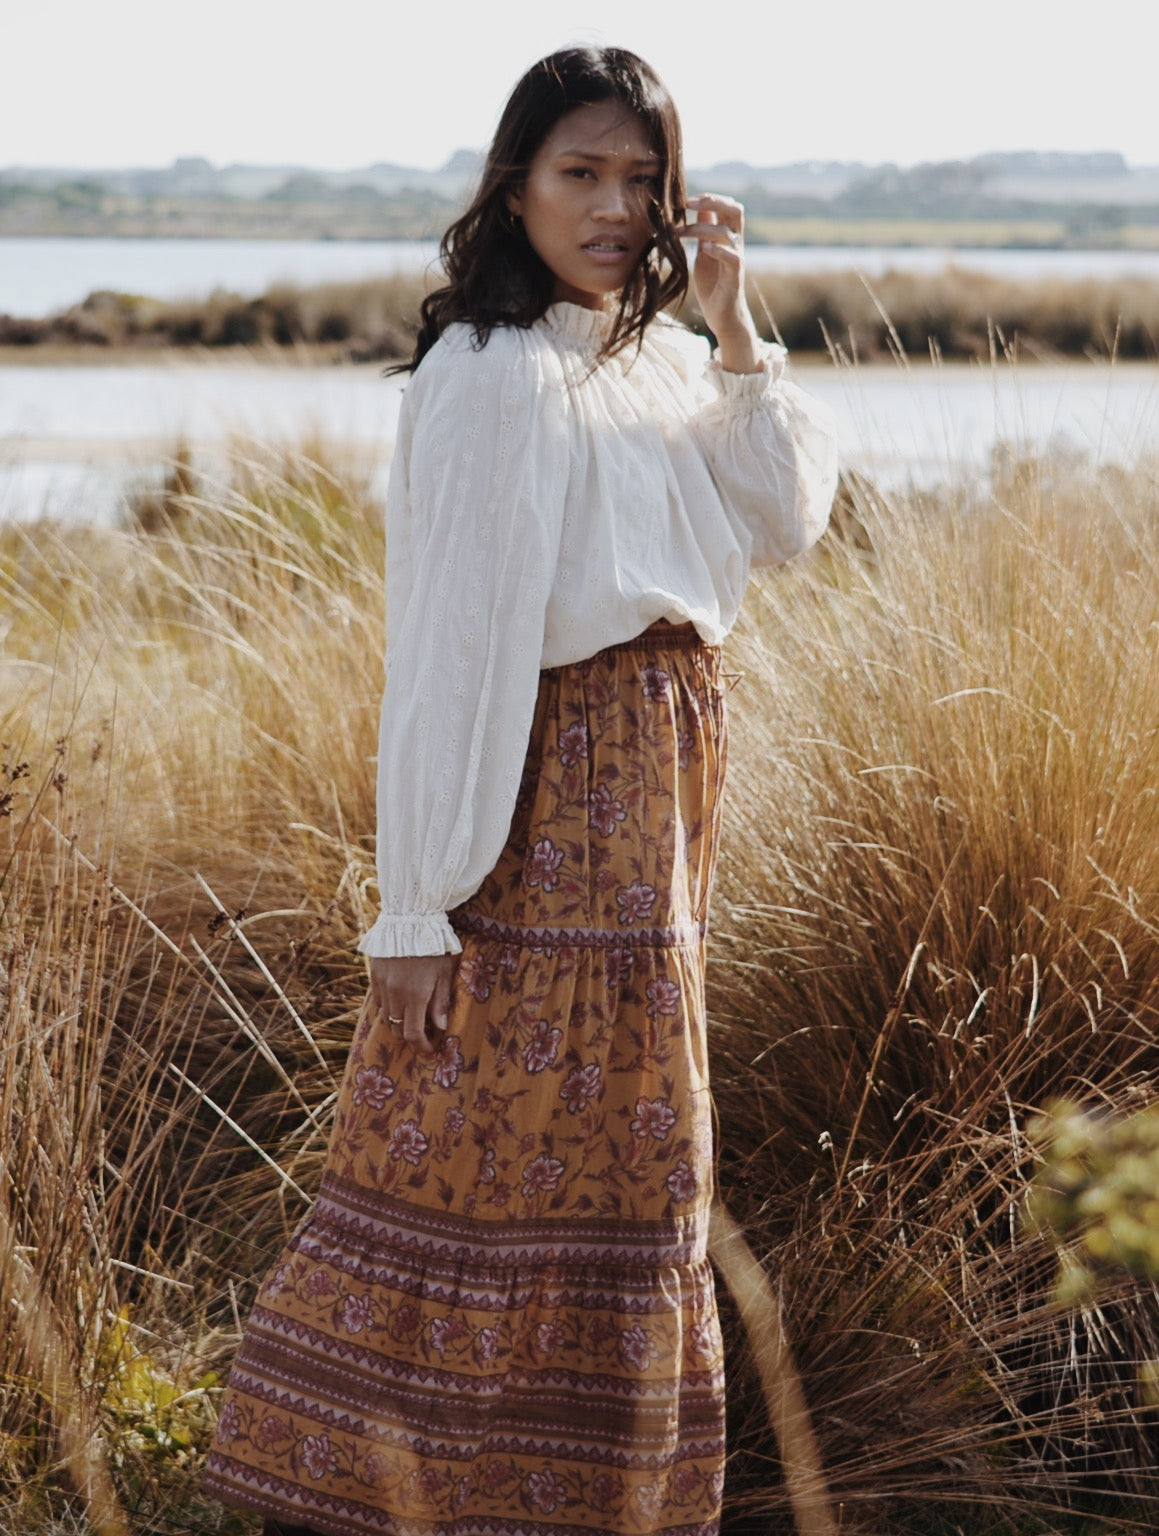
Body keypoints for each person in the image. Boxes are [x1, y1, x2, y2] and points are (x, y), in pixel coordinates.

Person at [204, 45, 838, 1536]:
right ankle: (414, 1490)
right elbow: (456, 653)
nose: (616, 208)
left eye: (642, 181)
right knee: (514, 1141)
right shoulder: (494, 376)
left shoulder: (664, 364)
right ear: (513, 183)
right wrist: (416, 904)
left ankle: (577, 1498)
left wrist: (736, 324)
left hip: (661, 813)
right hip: (550, 811)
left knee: (624, 1155)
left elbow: (790, 517)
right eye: (581, 174)